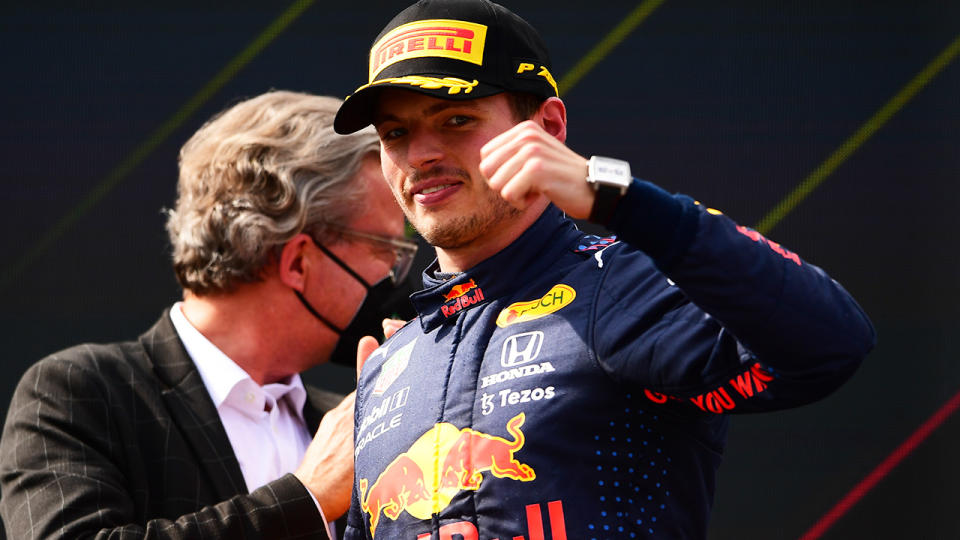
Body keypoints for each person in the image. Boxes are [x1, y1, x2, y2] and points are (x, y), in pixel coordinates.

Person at [331, 1, 876, 539]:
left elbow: (831, 343)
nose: (421, 154)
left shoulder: (620, 286)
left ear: (547, 125)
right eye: (395, 133)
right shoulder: (389, 365)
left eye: (456, 119)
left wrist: (620, 196)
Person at [0, 90, 417, 539]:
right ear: (299, 260)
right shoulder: (78, 393)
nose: (395, 274)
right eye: (384, 249)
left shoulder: (346, 422)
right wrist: (309, 498)